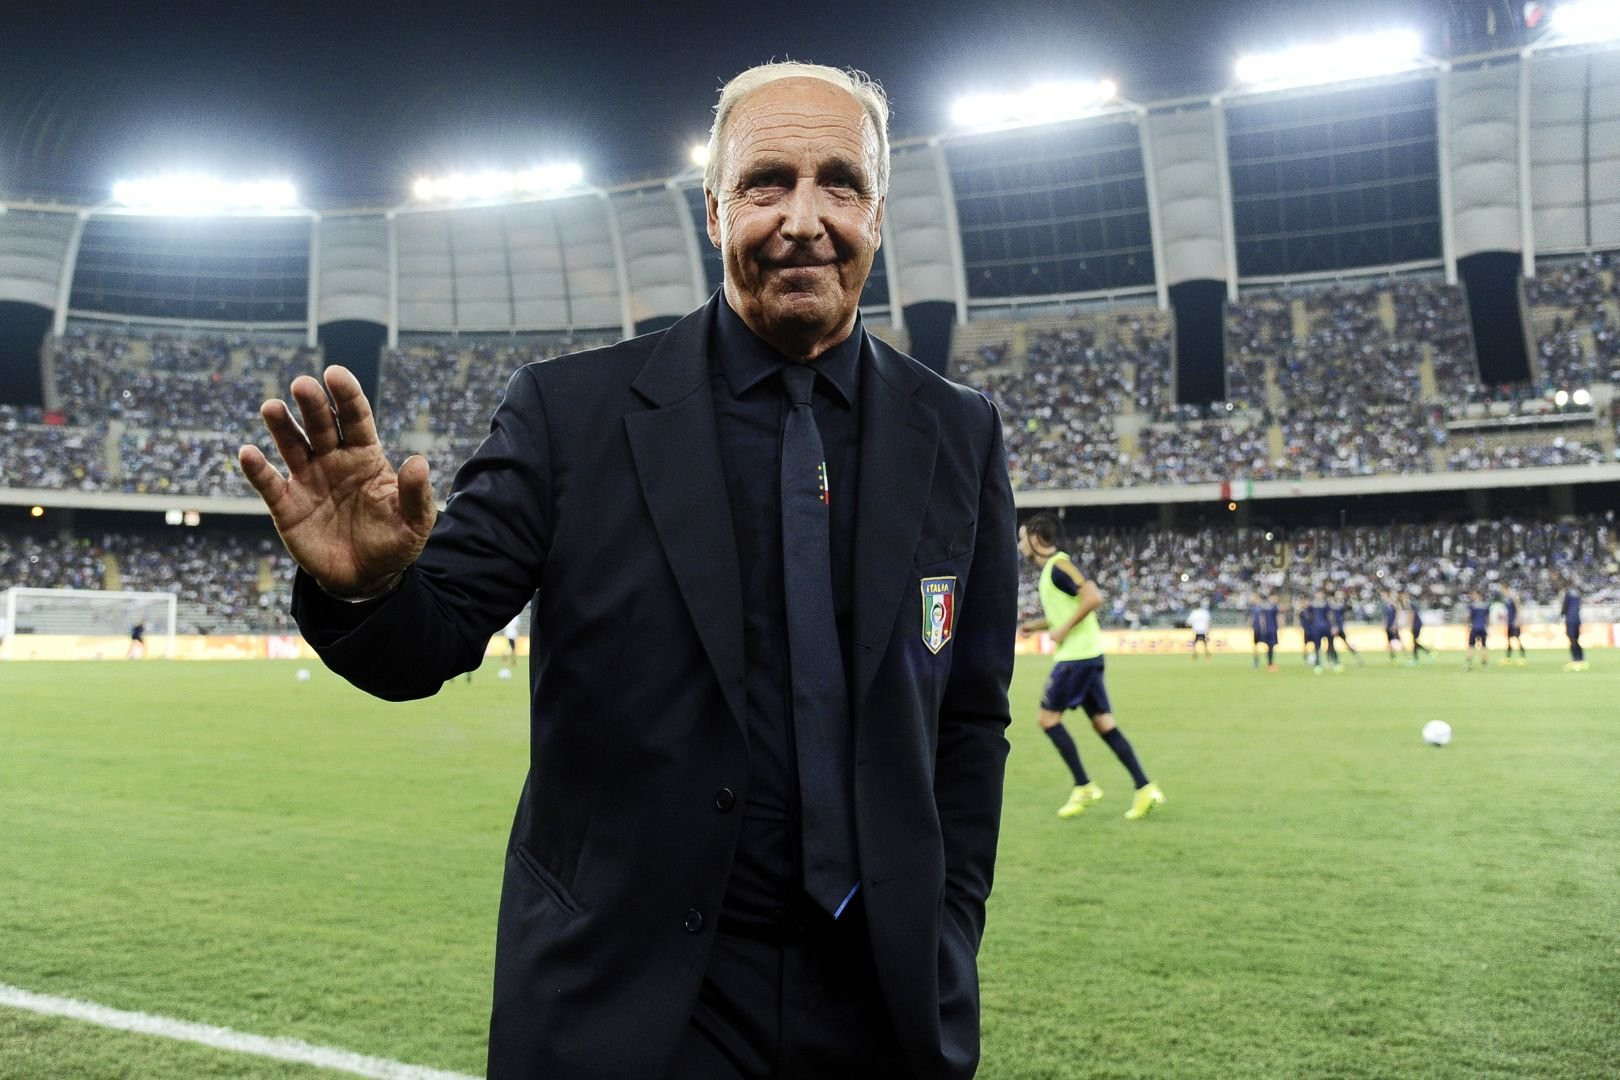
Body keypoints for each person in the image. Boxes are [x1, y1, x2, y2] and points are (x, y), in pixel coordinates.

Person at [239, 62, 1017, 1080]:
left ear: (876, 210)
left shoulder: (959, 431)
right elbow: (425, 641)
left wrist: (948, 927)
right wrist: (366, 584)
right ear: (714, 211)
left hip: (881, 1004)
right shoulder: (569, 414)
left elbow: (970, 719)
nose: (803, 219)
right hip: (633, 1002)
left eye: (839, 182)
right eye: (766, 183)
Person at [1016, 513, 1164, 822]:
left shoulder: (1059, 565)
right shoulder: (1052, 571)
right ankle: (1145, 787)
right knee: (1103, 724)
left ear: (1035, 538)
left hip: (1076, 658)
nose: (1020, 546)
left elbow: (1093, 597)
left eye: (1021, 539)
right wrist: (1036, 626)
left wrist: (1062, 630)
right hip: (1087, 656)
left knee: (1047, 719)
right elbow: (1067, 610)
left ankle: (1084, 785)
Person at [1327, 588, 1362, 666]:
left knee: (1332, 645)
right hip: (1335, 627)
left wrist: (1335, 627)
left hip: (1336, 628)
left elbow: (1344, 612)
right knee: (1332, 645)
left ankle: (1333, 661)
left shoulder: (1335, 606)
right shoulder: (1335, 606)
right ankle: (1333, 661)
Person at [1562, 580, 1587, 671]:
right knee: (1575, 639)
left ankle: (1576, 660)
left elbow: (1565, 606)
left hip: (1570, 620)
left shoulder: (1567, 594)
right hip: (1577, 619)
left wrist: (1561, 614)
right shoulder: (1577, 595)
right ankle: (1581, 658)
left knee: (1572, 640)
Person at [1463, 590, 1489, 671]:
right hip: (1483, 628)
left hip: (1474, 628)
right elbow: (1487, 618)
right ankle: (1484, 665)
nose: (1472, 596)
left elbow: (1467, 616)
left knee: (1471, 646)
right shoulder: (1486, 605)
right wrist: (1487, 627)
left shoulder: (1472, 605)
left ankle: (1469, 664)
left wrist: (1467, 625)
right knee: (1484, 646)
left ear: (1478, 595)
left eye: (1474, 594)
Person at [1501, 586, 1526, 666]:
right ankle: (1508, 658)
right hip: (1509, 622)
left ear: (1506, 589)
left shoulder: (1514, 598)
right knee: (1509, 640)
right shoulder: (1507, 600)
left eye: (1503, 590)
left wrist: (1517, 620)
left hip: (1514, 622)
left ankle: (1523, 657)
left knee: (1517, 639)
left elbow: (1519, 608)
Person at [1381, 589, 1406, 663]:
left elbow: (1397, 615)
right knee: (1389, 643)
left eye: (1383, 595)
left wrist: (1395, 625)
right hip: (1388, 627)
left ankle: (1407, 656)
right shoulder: (1385, 606)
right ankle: (1393, 658)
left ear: (1387, 595)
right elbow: (1385, 617)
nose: (1382, 597)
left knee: (1399, 642)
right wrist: (1384, 624)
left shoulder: (1393, 605)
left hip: (1393, 627)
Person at [1405, 595, 1432, 665]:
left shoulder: (1411, 604)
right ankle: (1427, 652)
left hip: (1416, 625)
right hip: (1418, 624)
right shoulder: (1413, 604)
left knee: (1414, 642)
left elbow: (1412, 615)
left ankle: (1416, 659)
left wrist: (1410, 625)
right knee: (1415, 642)